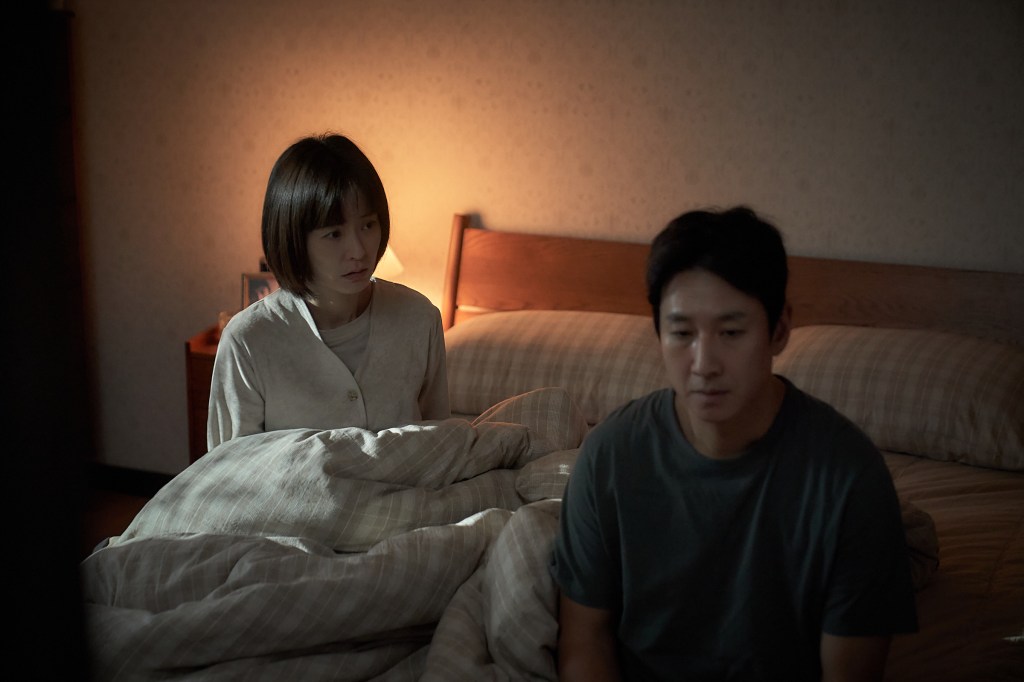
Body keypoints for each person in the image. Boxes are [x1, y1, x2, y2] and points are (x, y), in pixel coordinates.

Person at [550, 207, 917, 681]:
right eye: (682, 333)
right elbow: (584, 643)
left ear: (779, 330)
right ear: (658, 332)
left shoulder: (849, 479)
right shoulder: (609, 455)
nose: (704, 364)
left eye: (731, 333)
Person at [207, 133, 449, 450]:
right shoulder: (248, 341)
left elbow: (442, 446)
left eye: (368, 225)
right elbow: (231, 469)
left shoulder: (419, 319)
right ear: (294, 238)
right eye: (334, 234)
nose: (359, 251)